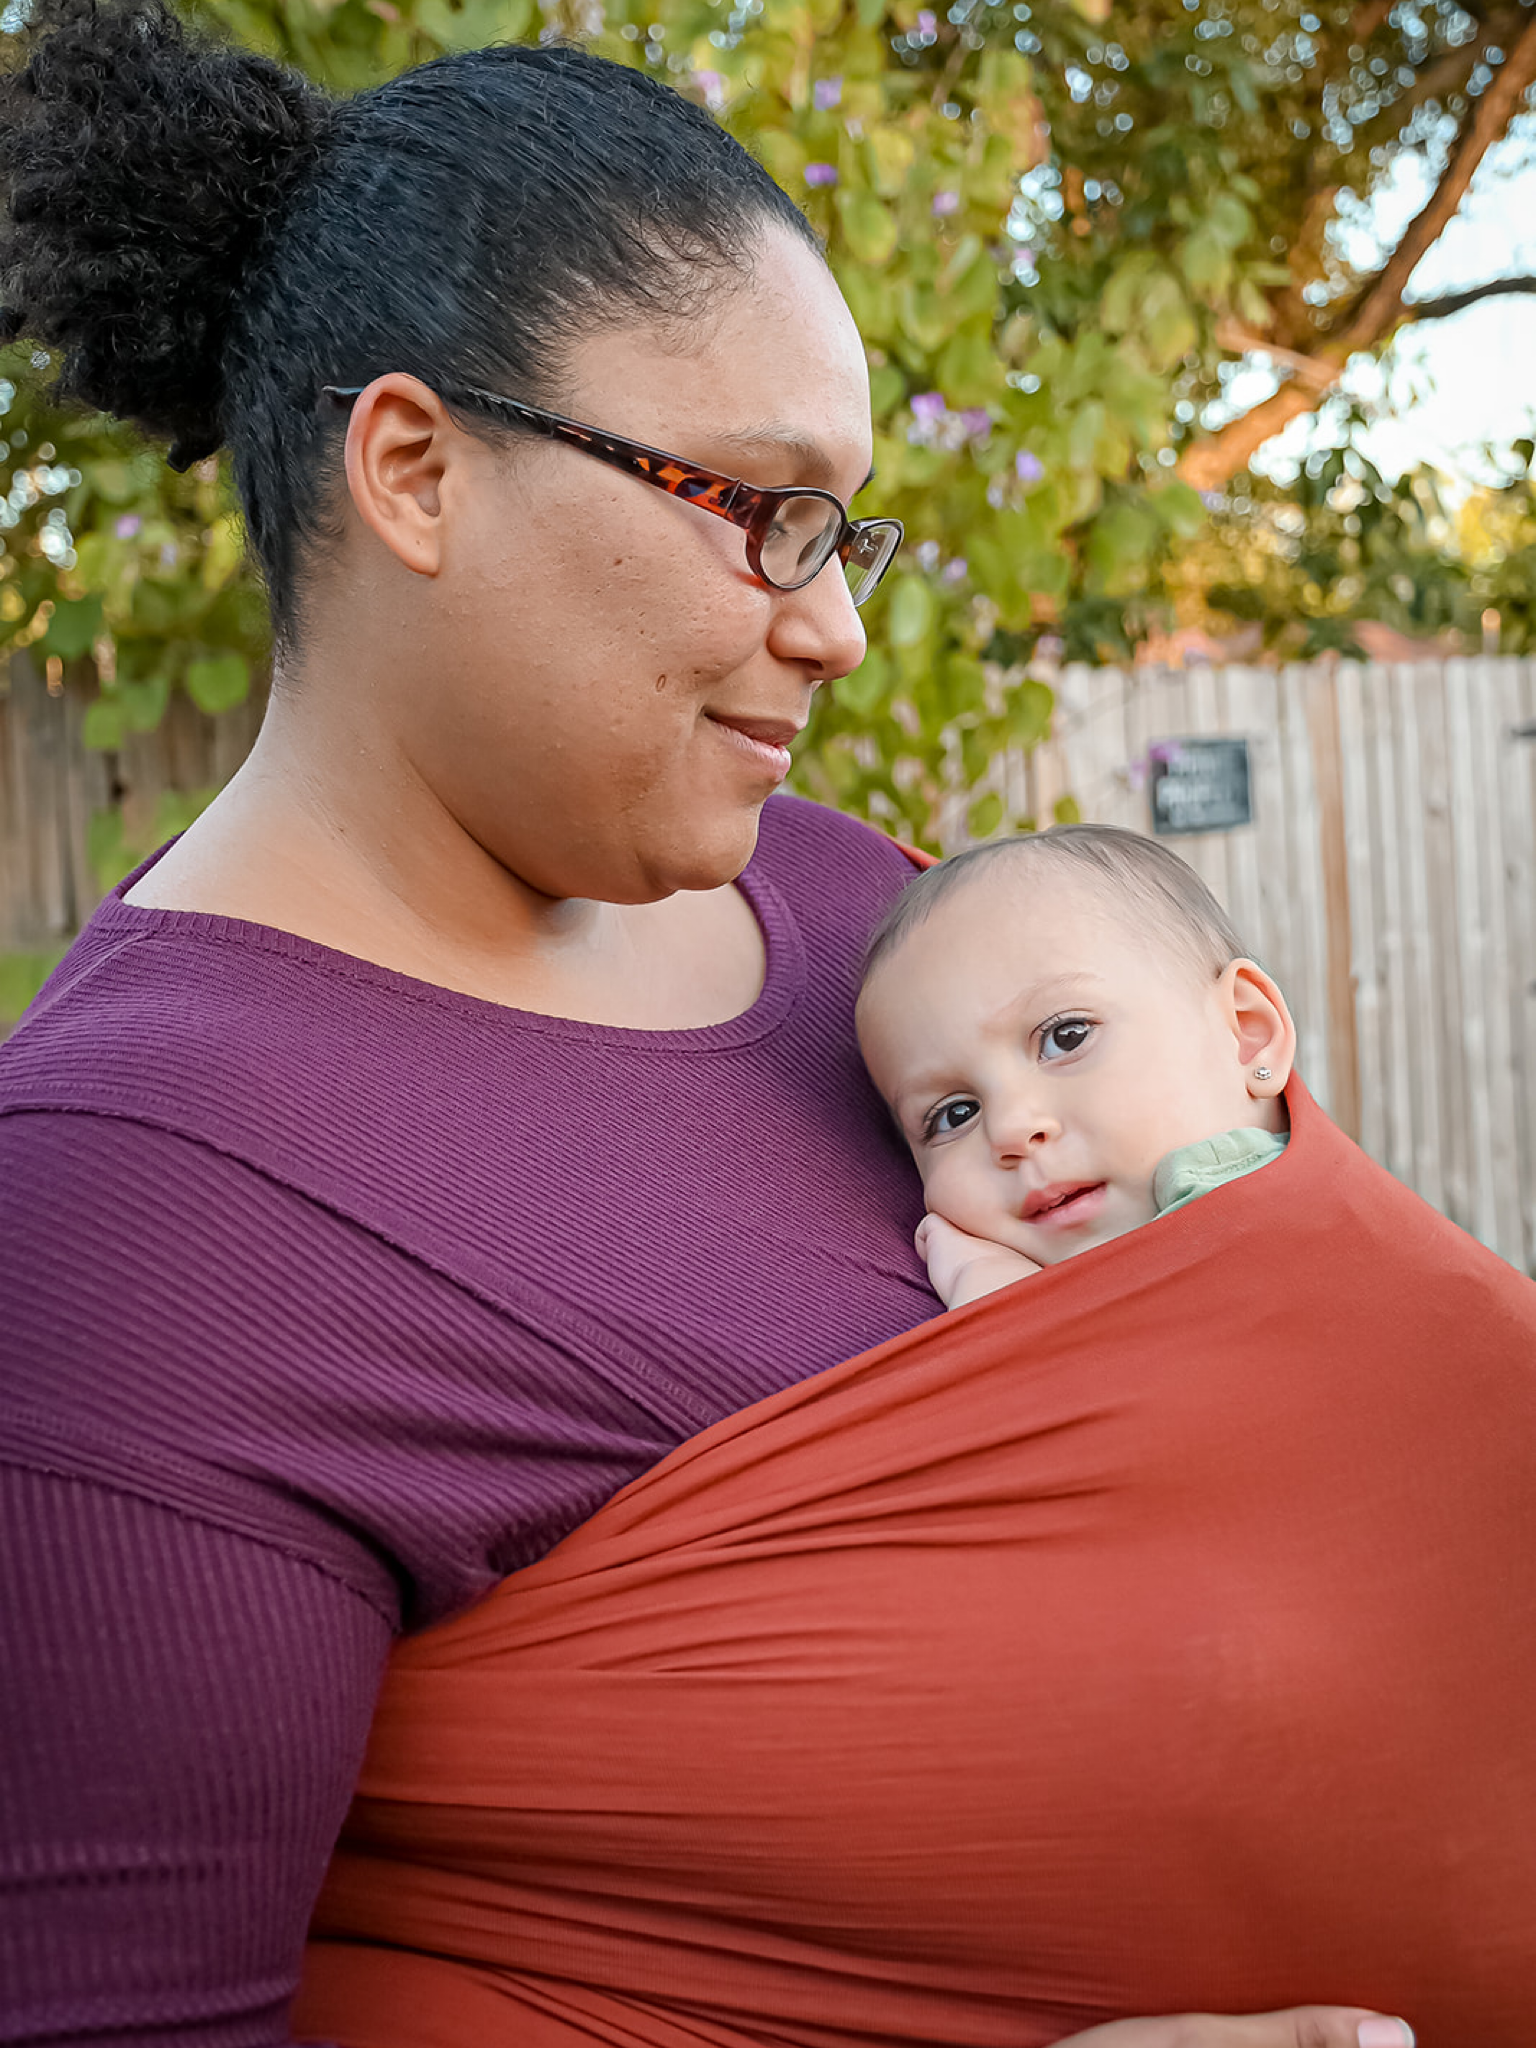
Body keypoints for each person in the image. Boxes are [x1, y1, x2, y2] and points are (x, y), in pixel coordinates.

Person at [0, 6, 1422, 2046]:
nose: (834, 619)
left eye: (845, 527)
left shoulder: (856, 912)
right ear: (414, 469)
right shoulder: (127, 1219)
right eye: (757, 507)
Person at [855, 826, 1296, 1308]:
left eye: (1066, 1038)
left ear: (1247, 1033)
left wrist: (998, 1294)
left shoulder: (1232, 1188)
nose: (1011, 1129)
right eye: (954, 1114)